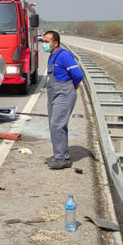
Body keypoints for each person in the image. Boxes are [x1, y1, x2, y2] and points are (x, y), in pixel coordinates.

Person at [42, 30, 84, 170]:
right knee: (55, 125)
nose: (44, 44)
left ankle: (61, 159)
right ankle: (60, 155)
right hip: (53, 92)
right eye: (43, 41)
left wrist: (74, 86)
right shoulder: (52, 56)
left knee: (57, 124)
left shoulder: (64, 55)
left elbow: (78, 74)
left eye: (47, 41)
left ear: (56, 43)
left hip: (63, 93)